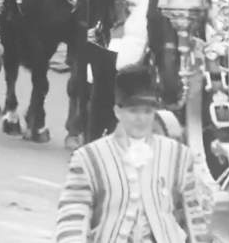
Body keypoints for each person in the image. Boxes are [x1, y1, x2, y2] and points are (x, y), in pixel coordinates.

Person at [56, 65, 209, 243]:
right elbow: (72, 215)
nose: (141, 119)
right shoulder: (88, 158)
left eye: (147, 111)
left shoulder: (178, 156)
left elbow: (194, 219)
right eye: (133, 111)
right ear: (117, 112)